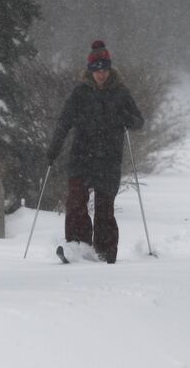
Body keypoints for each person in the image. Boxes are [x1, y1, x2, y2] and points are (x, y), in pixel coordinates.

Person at [46, 40, 144, 264]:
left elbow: (139, 121)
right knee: (76, 202)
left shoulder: (121, 92)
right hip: (81, 155)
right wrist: (54, 148)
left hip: (109, 159)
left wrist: (124, 118)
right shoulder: (80, 92)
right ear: (90, 71)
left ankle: (105, 252)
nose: (101, 74)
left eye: (104, 69)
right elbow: (64, 122)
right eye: (97, 70)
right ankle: (77, 247)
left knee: (104, 209)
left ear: (110, 69)